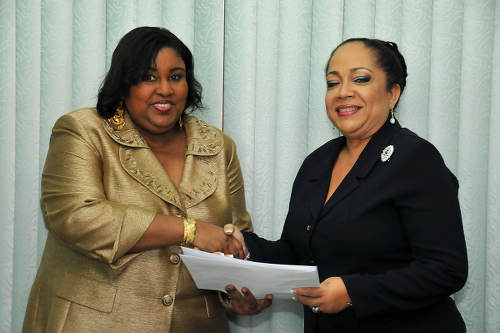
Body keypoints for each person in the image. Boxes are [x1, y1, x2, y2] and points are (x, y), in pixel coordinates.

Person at [224, 38, 468, 332]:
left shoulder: (415, 158)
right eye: (332, 83)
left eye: (360, 79)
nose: (343, 92)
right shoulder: (318, 162)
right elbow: (298, 254)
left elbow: (446, 270)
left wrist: (353, 292)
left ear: (393, 93)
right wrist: (245, 248)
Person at [22, 26, 251, 333]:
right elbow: (76, 217)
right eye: (148, 77)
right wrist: (188, 230)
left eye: (175, 76)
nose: (165, 90)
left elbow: (237, 237)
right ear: (124, 83)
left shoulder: (219, 146)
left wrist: (239, 294)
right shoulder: (83, 131)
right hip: (94, 324)